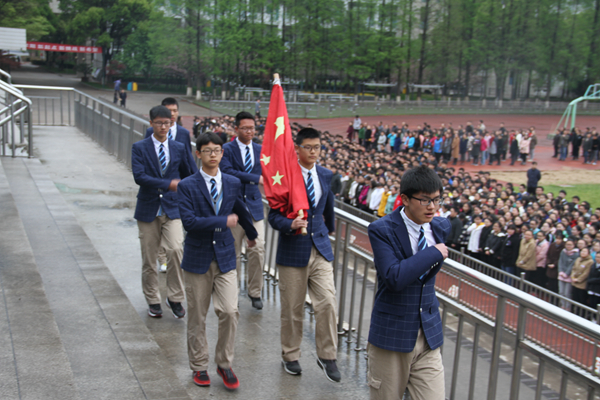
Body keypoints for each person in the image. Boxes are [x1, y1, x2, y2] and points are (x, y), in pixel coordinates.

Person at [177, 132, 258, 390]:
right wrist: (223, 221)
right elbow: (189, 223)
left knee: (230, 311)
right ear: (198, 154)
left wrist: (252, 234)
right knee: (197, 316)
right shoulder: (187, 185)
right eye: (208, 150)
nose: (214, 155)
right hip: (197, 257)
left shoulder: (232, 182)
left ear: (223, 153)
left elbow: (238, 207)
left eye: (218, 150)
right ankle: (199, 366)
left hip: (225, 255)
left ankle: (224, 364)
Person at [367, 165, 449, 400]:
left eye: (436, 200)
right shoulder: (381, 229)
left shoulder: (441, 226)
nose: (432, 207)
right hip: (392, 335)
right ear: (404, 198)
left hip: (428, 334)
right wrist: (434, 252)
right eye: (424, 200)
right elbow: (394, 277)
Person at [267, 128, 340, 382]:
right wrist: (290, 225)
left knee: (328, 302)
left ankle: (327, 355)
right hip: (292, 249)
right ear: (297, 148)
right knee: (292, 308)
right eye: (308, 147)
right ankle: (291, 355)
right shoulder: (285, 177)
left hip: (320, 247)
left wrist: (326, 232)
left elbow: (327, 207)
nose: (313, 152)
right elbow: (273, 216)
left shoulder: (325, 174)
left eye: (317, 147)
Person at [131, 105, 194, 318]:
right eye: (159, 123)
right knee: (149, 258)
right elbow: (139, 177)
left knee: (176, 249)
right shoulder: (140, 147)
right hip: (148, 208)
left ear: (172, 123)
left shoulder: (178, 147)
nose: (163, 127)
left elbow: (189, 174)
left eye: (167, 123)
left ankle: (175, 297)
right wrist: (169, 184)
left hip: (173, 208)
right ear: (151, 124)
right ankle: (152, 299)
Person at [220, 111, 266, 309]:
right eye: (245, 128)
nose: (249, 131)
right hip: (233, 206)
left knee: (258, 248)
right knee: (234, 252)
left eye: (252, 128)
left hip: (255, 207)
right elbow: (227, 172)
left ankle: (255, 291)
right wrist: (255, 178)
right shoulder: (226, 149)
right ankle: (232, 292)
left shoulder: (261, 150)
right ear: (236, 128)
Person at [571, 247, 594, 315]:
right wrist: (573, 277)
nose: (582, 253)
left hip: (582, 285)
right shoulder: (578, 259)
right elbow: (574, 269)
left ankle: (581, 314)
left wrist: (578, 279)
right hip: (574, 283)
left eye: (584, 251)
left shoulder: (590, 262)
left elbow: (586, 273)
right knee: (574, 299)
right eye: (582, 251)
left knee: (581, 301)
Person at [558, 239, 579, 310]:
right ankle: (562, 305)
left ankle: (567, 306)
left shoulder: (576, 254)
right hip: (561, 275)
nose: (568, 246)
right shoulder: (563, 252)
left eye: (570, 245)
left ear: (573, 245)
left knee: (567, 293)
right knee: (561, 291)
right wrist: (560, 271)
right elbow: (560, 261)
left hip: (569, 276)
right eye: (567, 244)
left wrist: (566, 273)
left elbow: (572, 265)